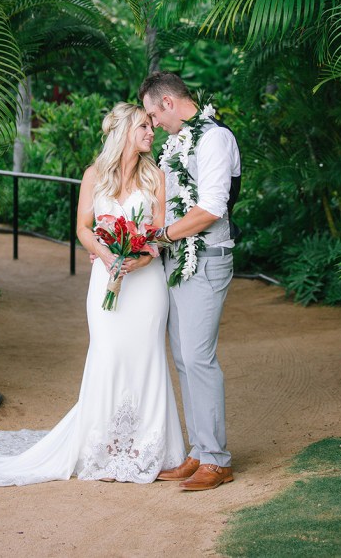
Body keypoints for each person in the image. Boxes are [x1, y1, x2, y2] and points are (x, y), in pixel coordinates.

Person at [0, 102, 185, 487]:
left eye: (151, 127)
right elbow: (84, 229)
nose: (151, 132)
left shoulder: (156, 177)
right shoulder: (94, 175)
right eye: (143, 126)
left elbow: (158, 230)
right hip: (105, 278)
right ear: (123, 131)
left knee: (147, 358)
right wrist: (108, 257)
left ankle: (147, 451)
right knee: (107, 355)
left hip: (146, 284)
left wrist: (137, 259)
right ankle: (102, 450)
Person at [139, 72, 241, 492]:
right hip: (178, 260)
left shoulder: (213, 139)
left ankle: (217, 460)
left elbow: (212, 207)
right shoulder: (179, 142)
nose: (153, 124)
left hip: (208, 259)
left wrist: (161, 236)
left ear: (167, 102)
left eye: (151, 114)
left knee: (199, 358)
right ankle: (200, 451)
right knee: (183, 357)